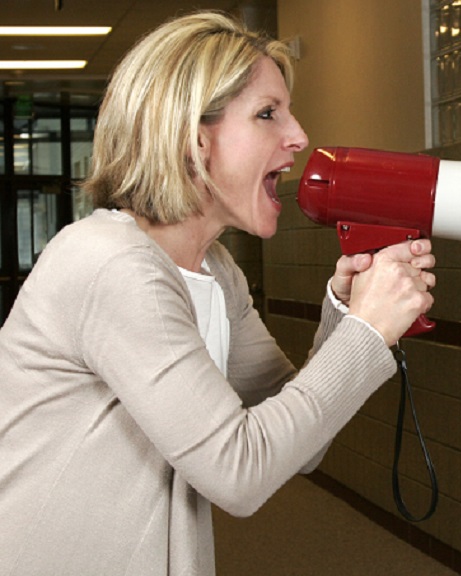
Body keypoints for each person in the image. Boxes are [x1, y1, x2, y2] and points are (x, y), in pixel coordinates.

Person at [0, 11, 435, 576]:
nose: (299, 136)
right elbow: (239, 472)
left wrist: (347, 314)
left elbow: (298, 446)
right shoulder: (110, 263)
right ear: (192, 140)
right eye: (267, 114)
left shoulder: (214, 269)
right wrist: (369, 330)